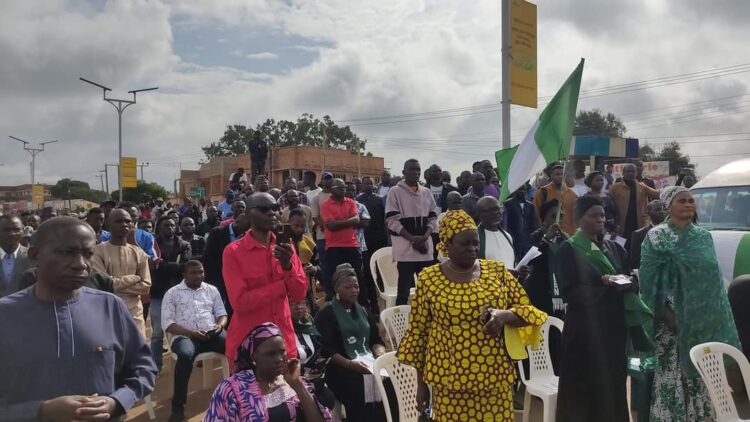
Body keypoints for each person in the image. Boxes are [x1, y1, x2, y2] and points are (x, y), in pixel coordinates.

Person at [0, 217, 155, 420]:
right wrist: (40, 411)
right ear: (35, 254)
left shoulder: (110, 306)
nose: (80, 264)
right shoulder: (5, 314)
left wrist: (115, 401)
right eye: (67, 253)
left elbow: (143, 368)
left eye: (88, 254)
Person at [398, 210, 547, 421]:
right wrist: (421, 385)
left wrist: (505, 315)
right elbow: (418, 334)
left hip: (494, 376)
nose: (473, 248)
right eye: (465, 244)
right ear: (447, 244)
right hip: (448, 380)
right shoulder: (429, 279)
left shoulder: (496, 272)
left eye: (475, 243)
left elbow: (530, 312)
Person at [640, 186, 740, 421]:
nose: (688, 205)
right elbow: (649, 282)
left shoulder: (703, 237)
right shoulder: (656, 236)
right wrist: (666, 314)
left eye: (691, 201)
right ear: (668, 206)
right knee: (673, 373)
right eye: (682, 201)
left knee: (701, 375)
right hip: (672, 322)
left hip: (699, 321)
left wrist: (708, 314)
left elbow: (713, 280)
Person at [554, 195, 640, 422]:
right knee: (582, 389)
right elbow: (569, 291)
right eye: (593, 215)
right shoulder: (568, 249)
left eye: (602, 215)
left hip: (612, 328)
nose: (600, 219)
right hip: (583, 331)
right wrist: (608, 288)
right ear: (579, 219)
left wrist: (629, 282)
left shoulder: (614, 247)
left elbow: (629, 274)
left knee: (613, 383)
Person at [222, 193, 308, 366]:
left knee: (286, 391)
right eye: (264, 209)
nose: (272, 213)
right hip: (250, 348)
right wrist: (282, 286)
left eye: (275, 208)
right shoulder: (233, 252)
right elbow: (240, 303)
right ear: (247, 215)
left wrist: (287, 267)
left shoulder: (286, 247)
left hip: (284, 342)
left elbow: (300, 293)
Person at [205, 323, 331, 421]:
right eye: (270, 354)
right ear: (253, 357)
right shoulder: (232, 389)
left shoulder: (293, 382)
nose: (279, 359)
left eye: (282, 352)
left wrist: (298, 386)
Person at [314, 264, 389, 422]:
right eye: (348, 287)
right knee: (356, 386)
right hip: (340, 366)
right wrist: (350, 364)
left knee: (389, 383)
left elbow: (376, 340)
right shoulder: (327, 314)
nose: (354, 290)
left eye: (356, 286)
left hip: (368, 363)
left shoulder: (363, 311)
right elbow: (328, 350)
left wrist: (379, 355)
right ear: (337, 288)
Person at [162, 260, 228, 421]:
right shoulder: (172, 293)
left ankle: (238, 394)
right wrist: (191, 333)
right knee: (185, 356)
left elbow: (222, 314)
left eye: (201, 272)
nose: (198, 275)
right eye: (194, 273)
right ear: (184, 275)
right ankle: (178, 407)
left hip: (211, 334)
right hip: (184, 336)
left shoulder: (211, 290)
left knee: (234, 347)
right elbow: (168, 323)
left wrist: (219, 327)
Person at [91, 209, 152, 338]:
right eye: (119, 221)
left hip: (134, 312)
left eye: (128, 221)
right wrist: (134, 278)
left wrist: (115, 285)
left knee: (137, 352)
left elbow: (146, 286)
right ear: (108, 224)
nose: (124, 224)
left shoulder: (139, 253)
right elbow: (104, 285)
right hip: (107, 310)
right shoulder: (98, 251)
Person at [386, 159, 438, 305]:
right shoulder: (395, 192)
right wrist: (413, 239)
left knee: (428, 291)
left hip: (425, 249)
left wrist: (425, 237)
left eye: (418, 170)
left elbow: (433, 218)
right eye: (412, 169)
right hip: (405, 251)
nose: (415, 173)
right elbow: (392, 221)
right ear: (404, 172)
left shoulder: (426, 192)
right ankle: (400, 323)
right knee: (403, 291)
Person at [152, 216, 192, 371]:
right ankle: (156, 365)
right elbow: (153, 266)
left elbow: (185, 266)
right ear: (160, 227)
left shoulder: (184, 244)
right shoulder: (153, 244)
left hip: (178, 292)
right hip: (158, 292)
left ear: (176, 227)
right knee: (157, 333)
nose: (169, 227)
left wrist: (164, 266)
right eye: (165, 225)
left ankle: (184, 359)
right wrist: (174, 267)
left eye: (172, 225)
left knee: (183, 327)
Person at [320, 179, 365, 302]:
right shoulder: (326, 205)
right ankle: (338, 308)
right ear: (332, 189)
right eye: (340, 187)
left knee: (358, 277)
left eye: (344, 187)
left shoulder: (350, 202)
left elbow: (356, 220)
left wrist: (338, 223)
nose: (344, 190)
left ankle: (362, 306)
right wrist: (348, 221)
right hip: (334, 247)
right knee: (336, 278)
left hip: (352, 245)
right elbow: (330, 226)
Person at [204, 211, 252, 316]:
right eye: (248, 222)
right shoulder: (217, 232)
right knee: (216, 307)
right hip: (218, 278)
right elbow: (208, 258)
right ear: (237, 221)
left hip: (237, 280)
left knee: (232, 308)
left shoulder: (247, 236)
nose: (250, 225)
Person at [290, 300, 335, 409]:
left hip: (315, 380)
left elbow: (319, 350)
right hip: (294, 386)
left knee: (328, 398)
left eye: (302, 303)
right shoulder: (281, 331)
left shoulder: (308, 325)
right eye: (292, 303)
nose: (298, 307)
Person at [610, 163, 660, 247]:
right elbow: (609, 205)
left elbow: (658, 195)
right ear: (623, 173)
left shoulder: (642, 187)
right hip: (621, 224)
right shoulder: (615, 188)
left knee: (637, 248)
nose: (630, 173)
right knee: (621, 249)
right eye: (628, 171)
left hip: (639, 223)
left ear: (636, 173)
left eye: (632, 171)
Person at [476, 197, 518, 269]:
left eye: (497, 209)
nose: (496, 213)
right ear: (479, 215)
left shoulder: (507, 236)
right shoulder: (475, 237)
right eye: (490, 210)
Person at [311, 172, 334, 294]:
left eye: (330, 179)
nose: (328, 181)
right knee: (325, 266)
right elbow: (315, 217)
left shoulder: (337, 196)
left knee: (335, 265)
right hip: (323, 237)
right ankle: (329, 293)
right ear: (322, 181)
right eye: (326, 179)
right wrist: (327, 227)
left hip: (337, 237)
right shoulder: (317, 198)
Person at [503, 183, 538, 263]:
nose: (521, 192)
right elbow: (506, 223)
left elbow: (533, 224)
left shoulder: (530, 206)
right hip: (514, 239)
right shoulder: (508, 204)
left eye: (523, 189)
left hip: (527, 240)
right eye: (519, 189)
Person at [0, 216, 32, 298]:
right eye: (6, 230)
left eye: (17, 230)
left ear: (22, 231)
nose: (12, 234)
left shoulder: (33, 256)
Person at [629, 199, 666, 269]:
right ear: (648, 213)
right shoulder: (638, 235)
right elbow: (636, 261)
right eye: (658, 209)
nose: (662, 212)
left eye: (664, 209)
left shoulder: (675, 231)